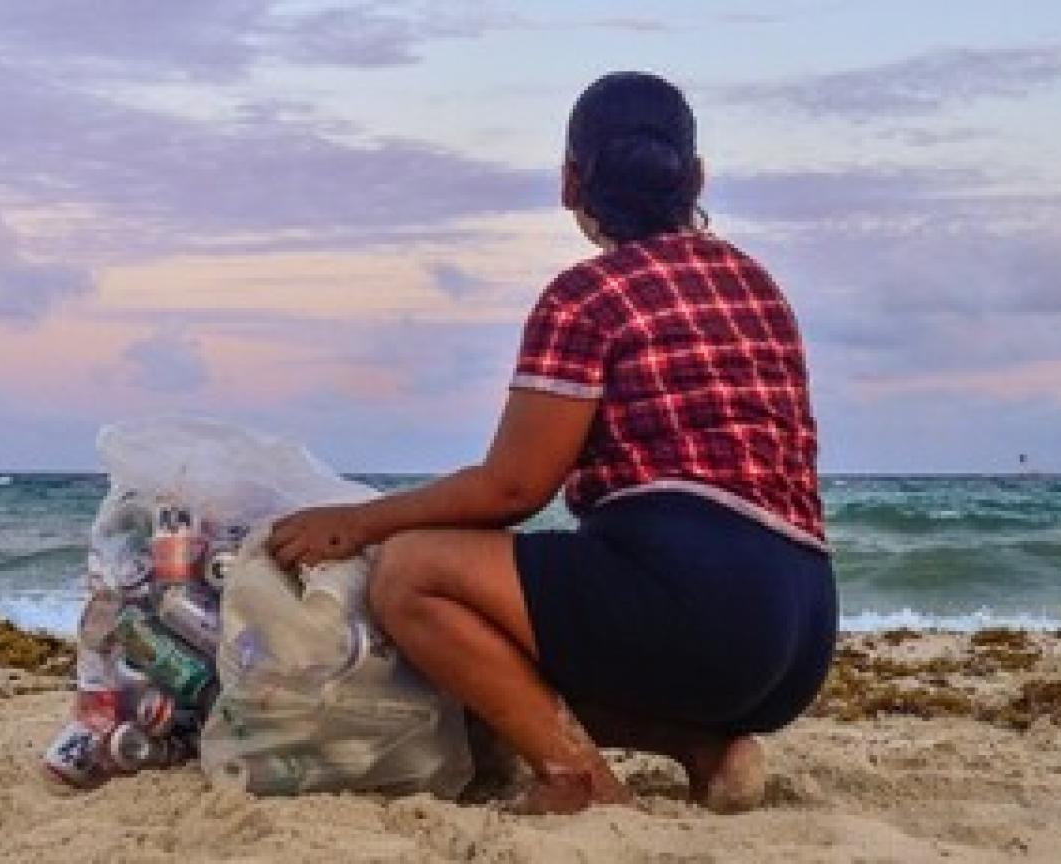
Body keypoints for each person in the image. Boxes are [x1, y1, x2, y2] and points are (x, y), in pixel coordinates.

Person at [268, 71, 837, 814]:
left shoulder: (588, 297)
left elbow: (513, 489)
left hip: (700, 604)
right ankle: (707, 751)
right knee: (490, 676)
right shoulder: (756, 283)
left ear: (570, 183)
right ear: (696, 176)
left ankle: (581, 785)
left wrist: (359, 522)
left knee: (412, 575)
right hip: (801, 631)